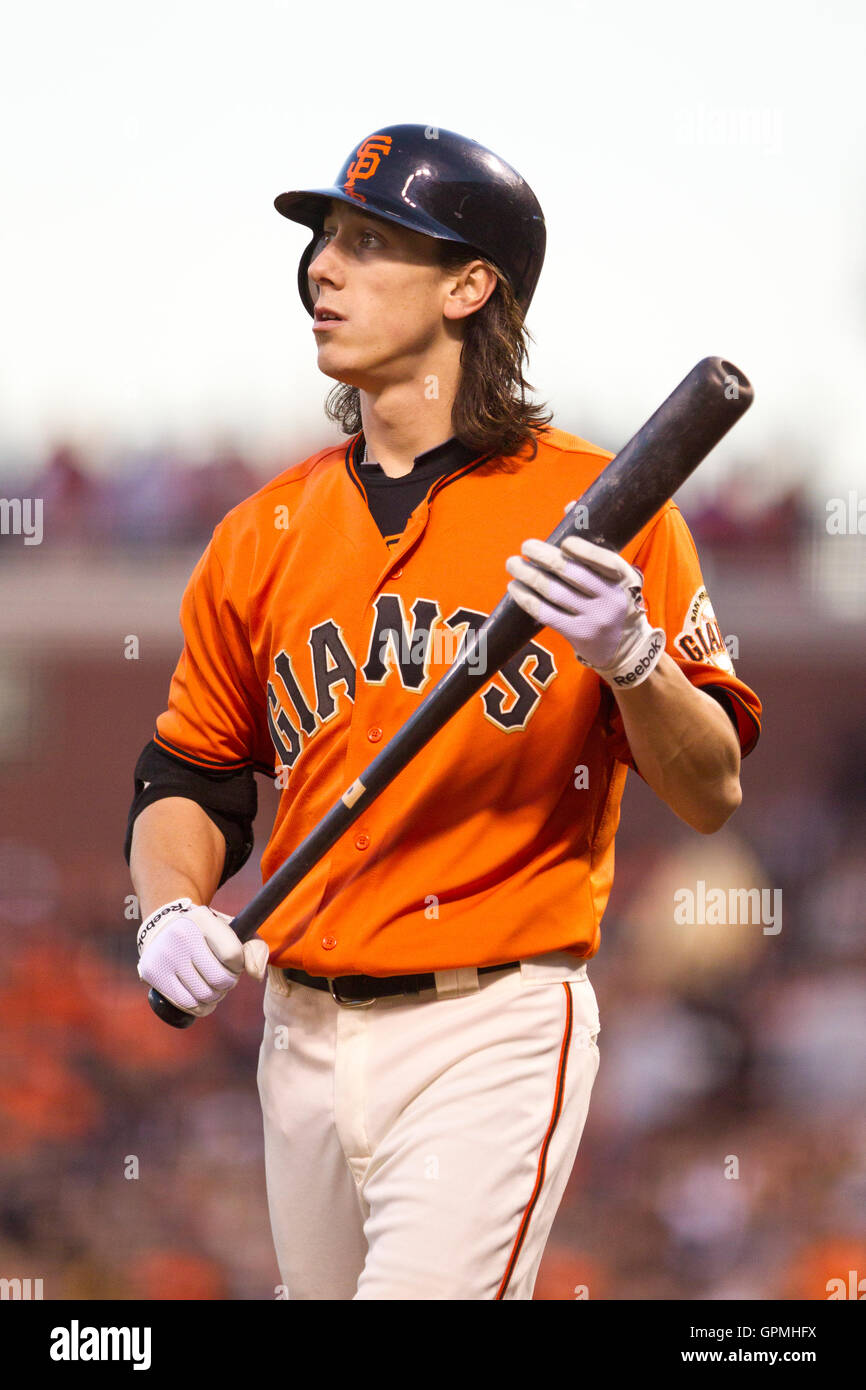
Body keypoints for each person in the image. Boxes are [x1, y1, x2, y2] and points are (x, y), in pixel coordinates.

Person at [126, 124, 761, 1300]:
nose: (321, 267)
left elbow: (711, 789)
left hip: (492, 1023)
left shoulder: (603, 510)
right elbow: (191, 774)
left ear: (471, 286)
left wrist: (630, 657)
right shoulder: (261, 532)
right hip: (298, 1031)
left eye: (369, 243)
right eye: (323, 240)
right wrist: (167, 908)